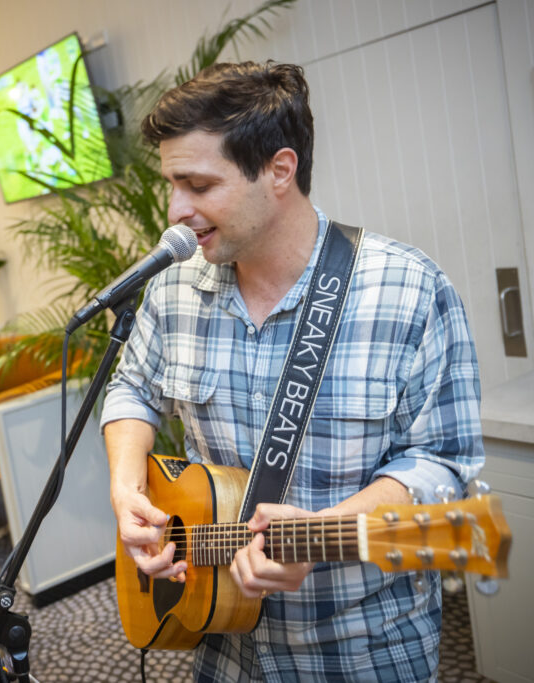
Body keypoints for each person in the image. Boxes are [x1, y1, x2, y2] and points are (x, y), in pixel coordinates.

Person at [101, 61, 483, 681]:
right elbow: (130, 390)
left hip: (365, 648)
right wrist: (127, 489)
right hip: (221, 643)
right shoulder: (170, 293)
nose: (176, 209)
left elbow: (445, 467)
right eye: (171, 184)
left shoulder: (408, 290)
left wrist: (325, 532)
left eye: (198, 185)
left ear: (280, 169)